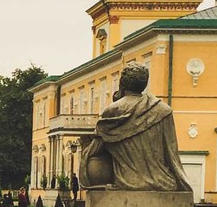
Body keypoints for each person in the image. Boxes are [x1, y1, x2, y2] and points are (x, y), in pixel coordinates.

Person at [76, 62, 192, 192]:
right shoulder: (163, 110)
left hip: (126, 181)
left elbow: (95, 150)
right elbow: (172, 155)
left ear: (123, 82)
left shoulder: (113, 110)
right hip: (164, 182)